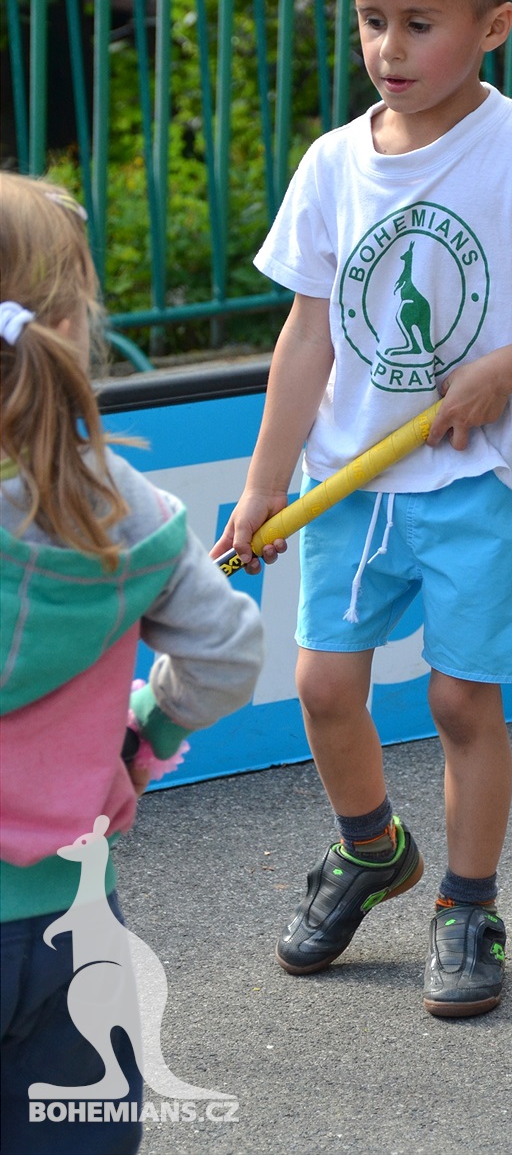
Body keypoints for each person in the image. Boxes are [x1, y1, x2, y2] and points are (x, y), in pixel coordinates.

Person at [212, 0, 512, 1019]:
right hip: (353, 482)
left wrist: (505, 370)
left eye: (418, 22)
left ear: (492, 24)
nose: (388, 50)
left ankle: (467, 903)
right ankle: (370, 850)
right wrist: (263, 485)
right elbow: (307, 333)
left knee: (460, 703)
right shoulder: (331, 163)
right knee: (322, 686)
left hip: (485, 482)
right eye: (371, 20)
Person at [0, 172, 264, 1152]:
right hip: (74, 921)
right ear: (75, 329)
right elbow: (228, 652)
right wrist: (145, 736)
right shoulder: (125, 507)